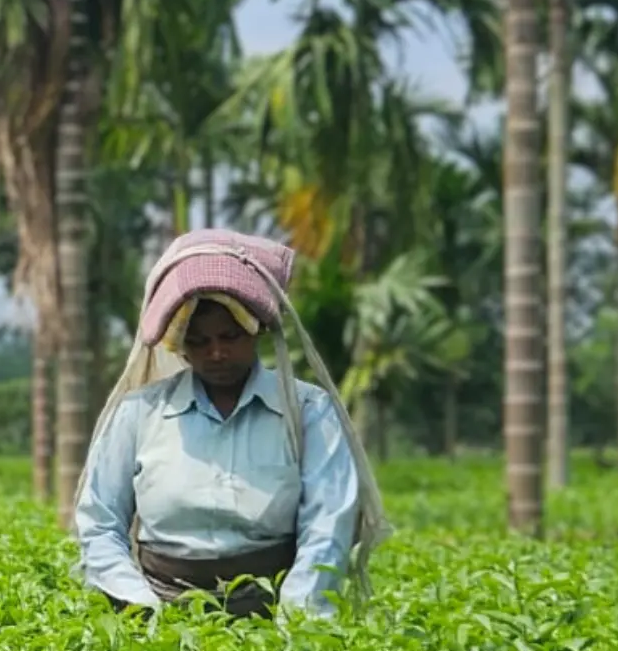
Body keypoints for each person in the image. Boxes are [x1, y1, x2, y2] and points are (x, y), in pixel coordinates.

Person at [73, 228, 389, 618]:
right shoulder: (140, 413)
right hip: (162, 608)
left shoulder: (308, 411)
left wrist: (296, 620)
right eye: (200, 341)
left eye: (230, 336)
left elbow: (328, 526)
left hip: (273, 611)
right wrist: (141, 606)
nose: (217, 352)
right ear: (181, 346)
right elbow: (99, 522)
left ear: (255, 330)